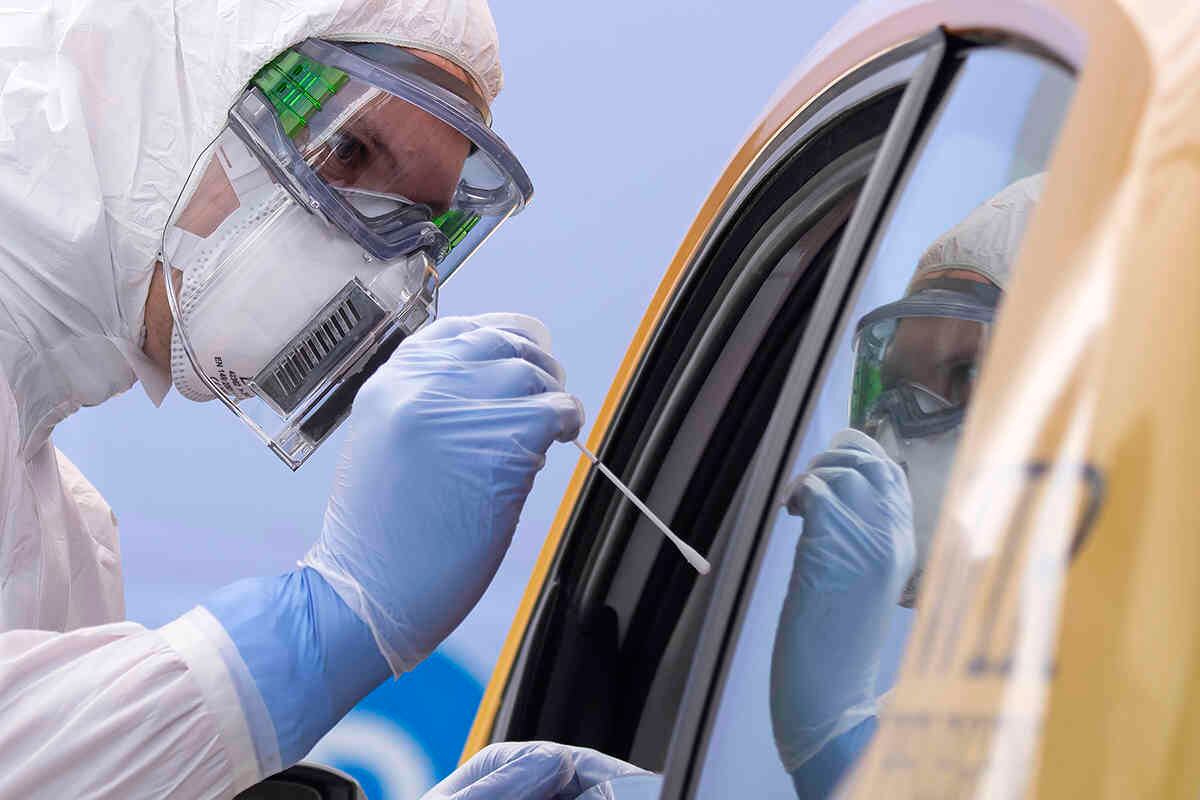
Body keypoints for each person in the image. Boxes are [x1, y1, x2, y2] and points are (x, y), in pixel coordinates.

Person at [0, 1, 629, 797]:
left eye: (412, 222)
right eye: (345, 149)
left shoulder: (68, 539)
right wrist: (323, 625)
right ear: (161, 80)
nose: (369, 261)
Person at [770, 175, 1044, 798]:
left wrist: (832, 744)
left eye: (966, 374)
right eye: (888, 393)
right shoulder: (958, 707)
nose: (890, 433)